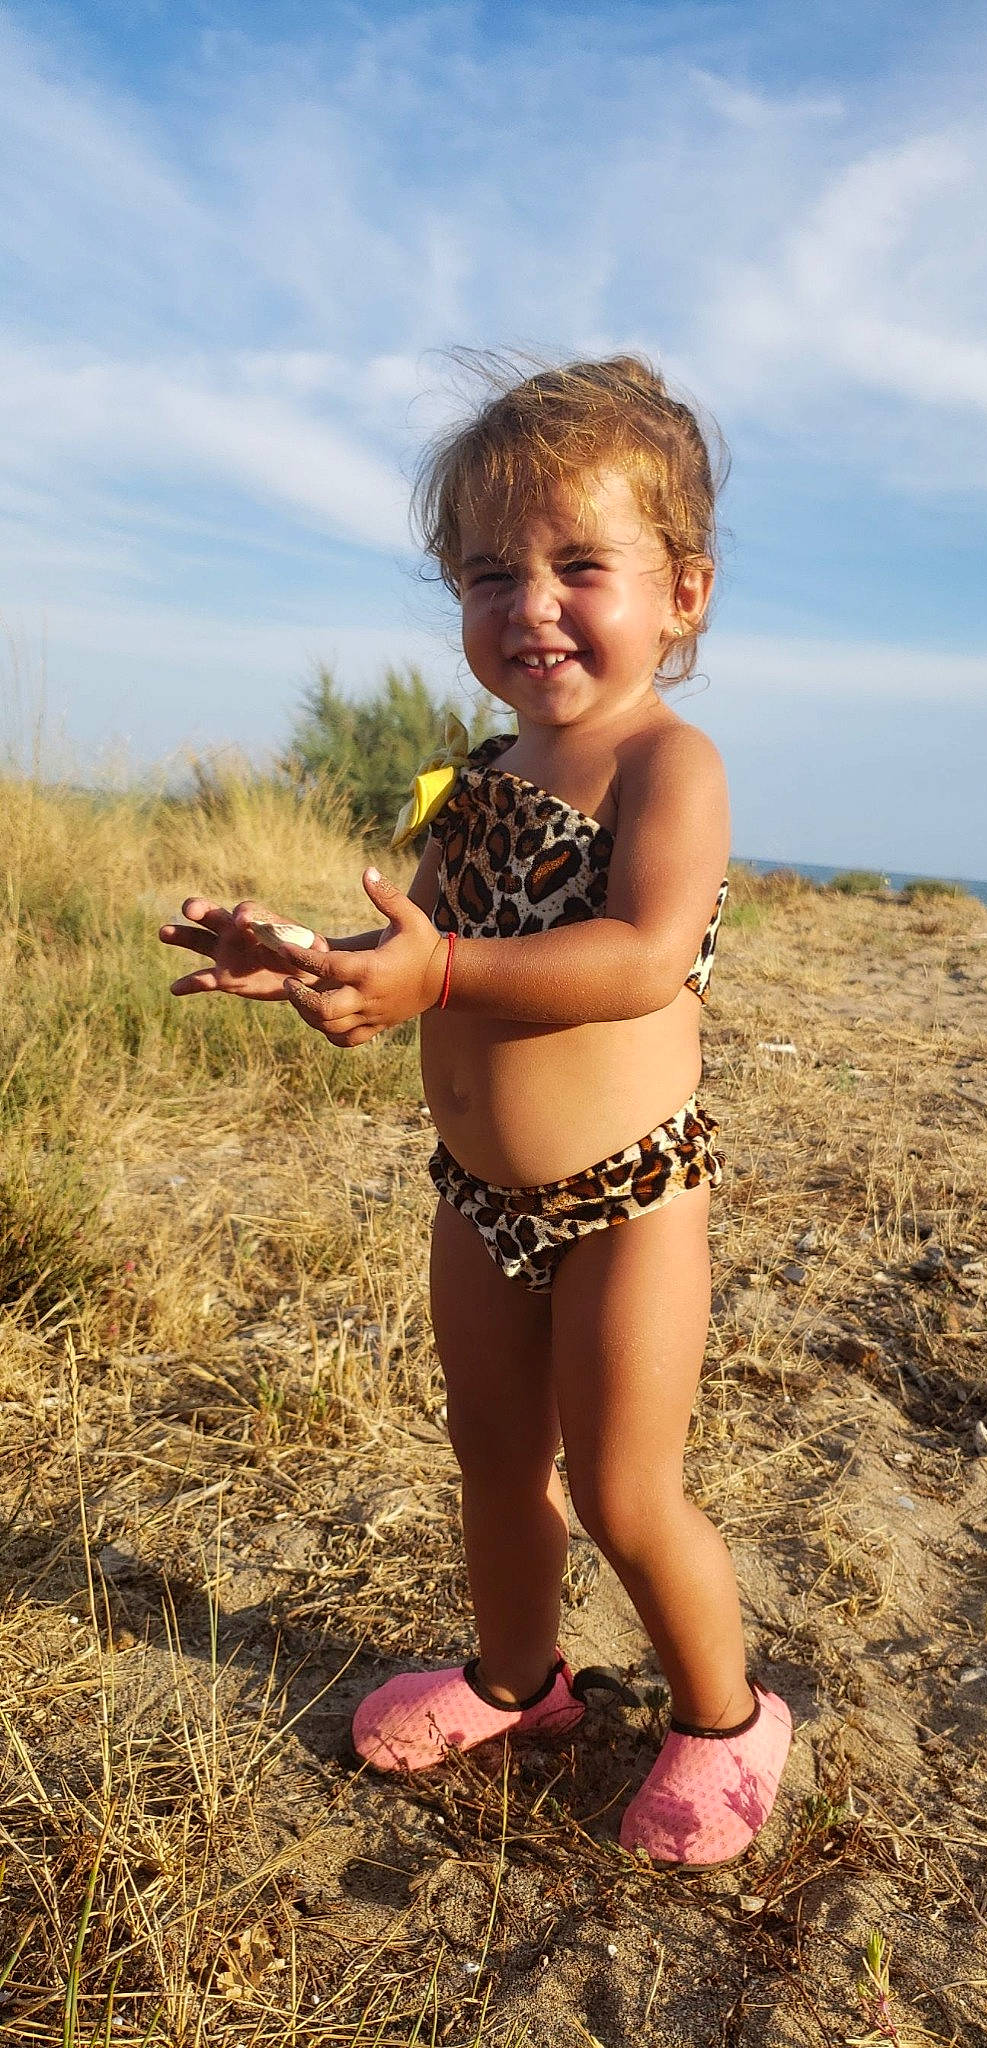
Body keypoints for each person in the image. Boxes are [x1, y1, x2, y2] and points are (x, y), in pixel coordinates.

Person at [159, 356, 792, 1866]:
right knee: (494, 1458)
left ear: (683, 592)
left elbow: (640, 954)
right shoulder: (469, 779)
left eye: (582, 564)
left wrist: (438, 971)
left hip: (628, 1194)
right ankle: (520, 1681)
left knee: (627, 1488)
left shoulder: (667, 764)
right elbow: (416, 946)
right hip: (479, 1193)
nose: (534, 605)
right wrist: (312, 960)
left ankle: (725, 1718)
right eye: (491, 572)